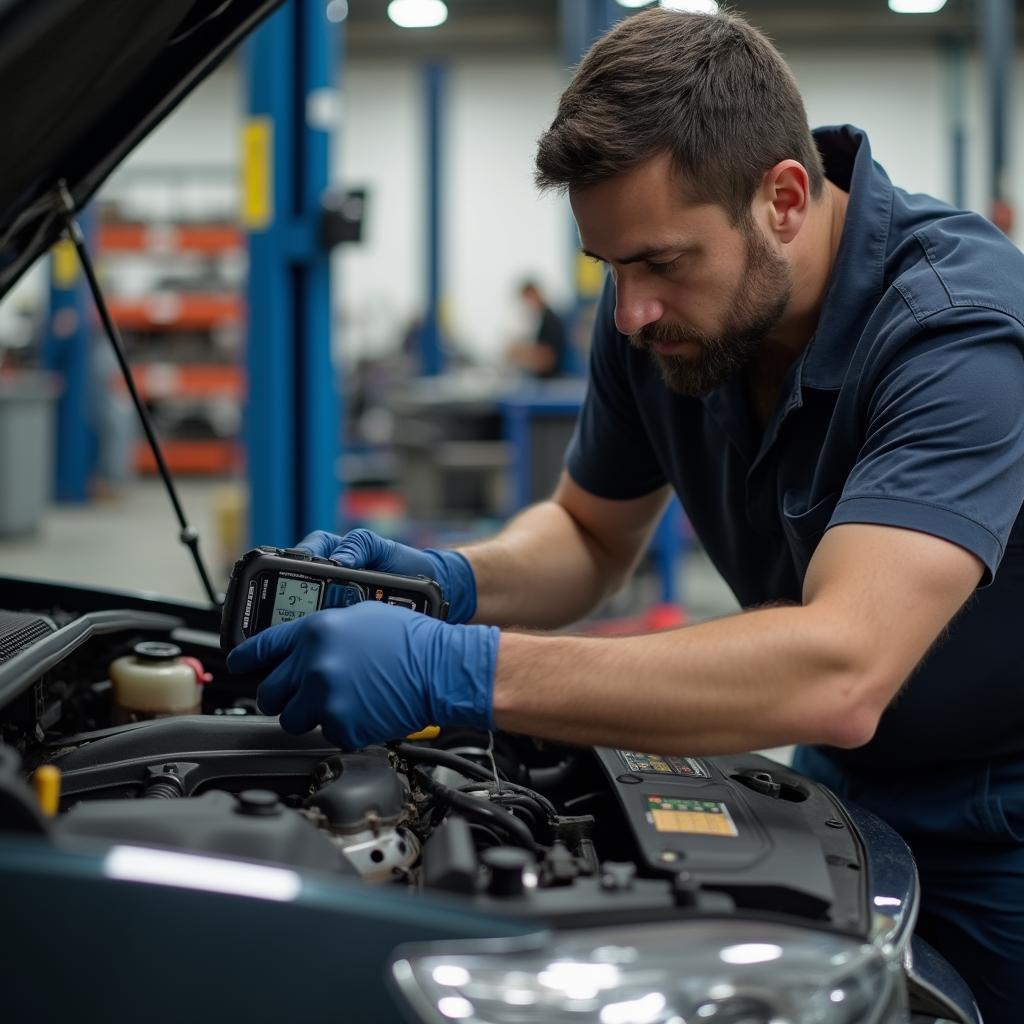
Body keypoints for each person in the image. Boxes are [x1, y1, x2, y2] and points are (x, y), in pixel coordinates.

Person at [228, 10, 1024, 1019]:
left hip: (1003, 809)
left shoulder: (958, 335)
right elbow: (589, 535)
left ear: (782, 198)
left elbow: (841, 666)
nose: (631, 310)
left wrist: (459, 669)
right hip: (843, 778)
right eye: (611, 269)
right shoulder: (661, 317)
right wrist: (447, 582)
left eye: (659, 262)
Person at [504, 279, 569, 378]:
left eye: (527, 299)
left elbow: (548, 359)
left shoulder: (550, 320)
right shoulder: (537, 320)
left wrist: (521, 353)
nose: (526, 304)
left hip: (552, 383)